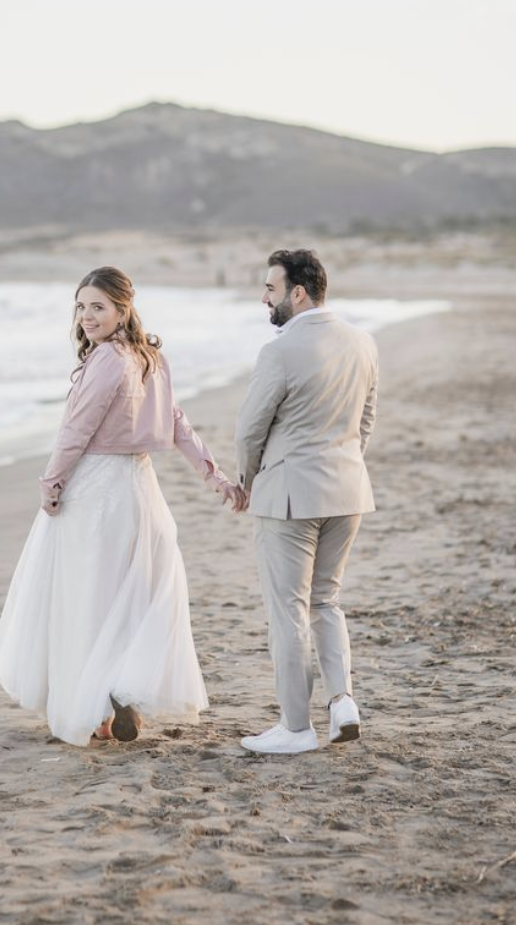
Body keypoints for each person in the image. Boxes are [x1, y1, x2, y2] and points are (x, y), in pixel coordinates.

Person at [0, 266, 245, 747]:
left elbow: (77, 430)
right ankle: (118, 695)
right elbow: (176, 423)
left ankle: (99, 710)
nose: (87, 316)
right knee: (130, 598)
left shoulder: (106, 360)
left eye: (97, 307)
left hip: (95, 491)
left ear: (122, 309)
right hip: (140, 489)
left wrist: (51, 482)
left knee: (88, 600)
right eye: (81, 307)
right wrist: (215, 476)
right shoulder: (151, 358)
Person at [235, 249, 378, 755]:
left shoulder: (279, 351)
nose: (265, 297)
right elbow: (365, 422)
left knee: (289, 610)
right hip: (348, 491)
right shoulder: (362, 342)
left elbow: (251, 428)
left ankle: (296, 727)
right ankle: (343, 702)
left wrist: (246, 481)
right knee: (326, 600)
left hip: (290, 496)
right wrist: (340, 468)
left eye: (271, 289)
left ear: (298, 292)